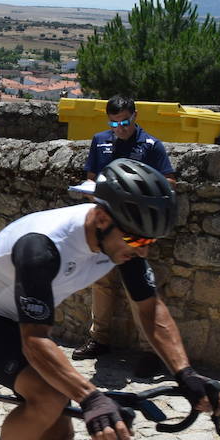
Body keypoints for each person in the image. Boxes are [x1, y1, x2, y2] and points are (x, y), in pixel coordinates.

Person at [0, 159, 220, 440]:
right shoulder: (44, 246)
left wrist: (186, 373)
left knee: (59, 431)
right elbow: (35, 342)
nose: (143, 250)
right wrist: (92, 398)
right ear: (102, 219)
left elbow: (150, 309)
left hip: (21, 319)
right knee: (50, 398)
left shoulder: (122, 239)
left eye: (151, 242)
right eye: (138, 241)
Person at [73, 96, 177, 375]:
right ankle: (99, 338)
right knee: (101, 283)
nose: (120, 128)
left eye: (125, 121)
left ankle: (149, 349)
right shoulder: (100, 140)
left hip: (134, 229)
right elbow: (92, 177)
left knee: (138, 287)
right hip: (105, 227)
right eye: (114, 123)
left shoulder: (152, 146)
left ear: (135, 115)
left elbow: (168, 181)